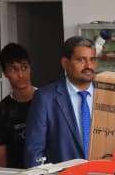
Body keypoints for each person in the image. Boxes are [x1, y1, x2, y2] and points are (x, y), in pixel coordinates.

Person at [24, 36, 98, 167]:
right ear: (65, 63)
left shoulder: (107, 95)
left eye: (92, 59)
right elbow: (34, 152)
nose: (88, 66)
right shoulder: (45, 98)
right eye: (81, 60)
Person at [0, 42, 36, 168]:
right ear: (5, 73)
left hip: (50, 173)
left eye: (24, 67)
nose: (20, 75)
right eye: (13, 69)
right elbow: (0, 158)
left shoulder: (48, 101)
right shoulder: (0, 112)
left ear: (30, 68)